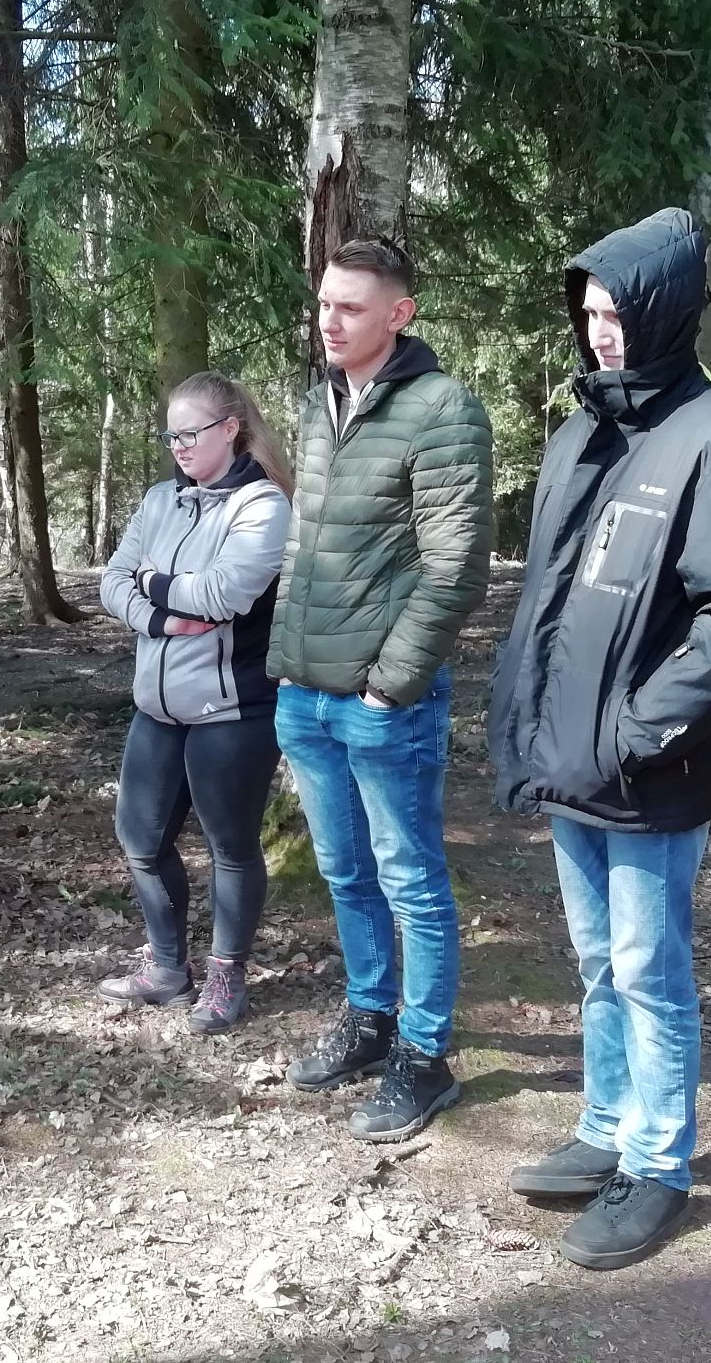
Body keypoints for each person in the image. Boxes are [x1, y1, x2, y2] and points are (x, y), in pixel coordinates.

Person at [488, 207, 711, 1270]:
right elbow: (549, 601)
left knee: (648, 970)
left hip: (649, 768)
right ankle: (607, 1127)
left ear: (666, 310)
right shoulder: (584, 430)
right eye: (588, 313)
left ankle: (658, 1166)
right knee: (595, 962)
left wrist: (639, 730)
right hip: (571, 757)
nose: (601, 330)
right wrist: (532, 722)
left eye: (617, 310)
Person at [268, 237, 493, 1141]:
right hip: (305, 694)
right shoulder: (319, 401)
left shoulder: (441, 409)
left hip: (380, 702)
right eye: (324, 302)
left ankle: (424, 1056)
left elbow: (455, 567)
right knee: (344, 871)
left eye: (350, 307)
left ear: (399, 315)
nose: (329, 320)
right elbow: (306, 547)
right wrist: (287, 665)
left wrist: (390, 687)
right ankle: (371, 1018)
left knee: (412, 881)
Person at [96, 371, 293, 1033]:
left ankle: (226, 975)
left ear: (230, 429)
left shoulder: (263, 505)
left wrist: (151, 580)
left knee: (230, 846)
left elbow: (223, 595)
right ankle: (167, 967)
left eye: (190, 433)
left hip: (233, 710)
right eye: (170, 435)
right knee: (140, 839)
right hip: (157, 707)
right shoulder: (162, 500)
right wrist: (159, 617)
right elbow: (112, 582)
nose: (178, 446)